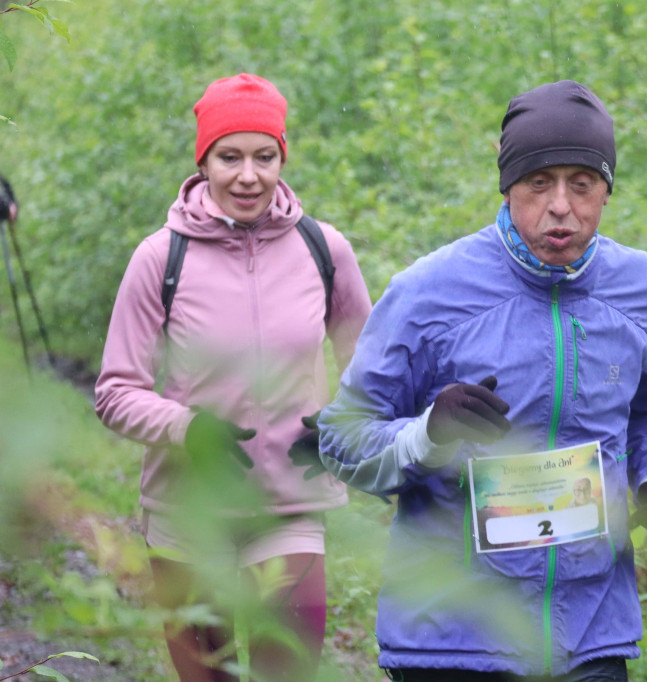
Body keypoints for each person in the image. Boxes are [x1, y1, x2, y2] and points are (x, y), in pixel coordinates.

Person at [318, 80, 647, 682]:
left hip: (590, 639)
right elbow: (341, 438)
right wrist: (426, 436)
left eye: (583, 183)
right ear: (508, 186)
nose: (561, 206)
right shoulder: (429, 292)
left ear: (607, 190)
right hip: (450, 640)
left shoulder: (643, 292)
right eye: (539, 182)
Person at [94, 73, 372, 682]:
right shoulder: (160, 258)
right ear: (204, 160)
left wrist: (340, 422)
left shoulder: (325, 250)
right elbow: (115, 391)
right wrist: (187, 428)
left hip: (291, 503)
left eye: (264, 156)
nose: (248, 175)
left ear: (282, 158)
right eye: (230, 157)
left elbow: (370, 371)